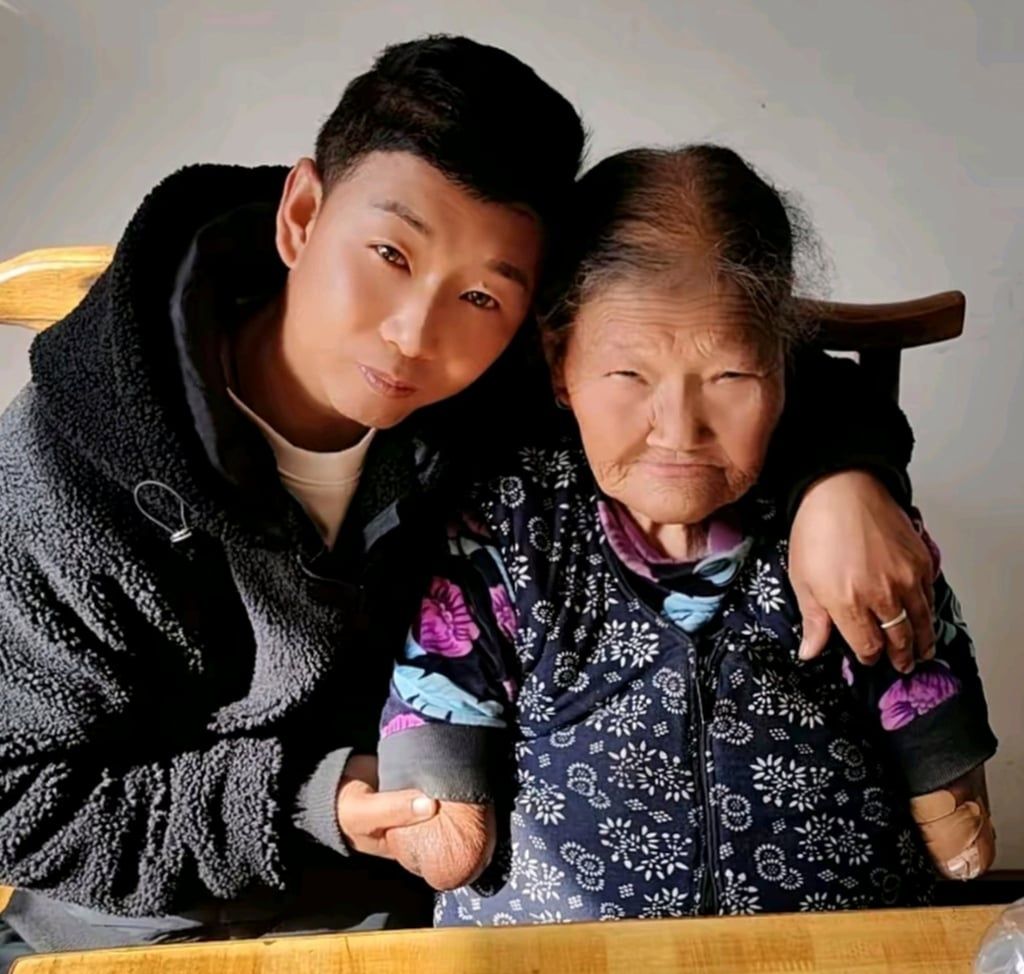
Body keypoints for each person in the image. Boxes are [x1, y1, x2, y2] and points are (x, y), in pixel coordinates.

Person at [0, 35, 936, 954]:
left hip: (411, 922)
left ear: (539, 324)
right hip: (136, 933)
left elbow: (714, 358)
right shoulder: (62, 466)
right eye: (390, 254)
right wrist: (307, 798)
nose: (414, 334)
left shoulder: (491, 389)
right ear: (300, 214)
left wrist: (842, 476)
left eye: (484, 296)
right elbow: (21, 804)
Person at [376, 145, 998, 924]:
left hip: (836, 942)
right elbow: (442, 666)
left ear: (784, 365)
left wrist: (942, 772)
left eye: (731, 379)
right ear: (559, 361)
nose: (680, 430)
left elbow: (916, 656)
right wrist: (436, 791)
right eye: (629, 378)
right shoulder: (510, 525)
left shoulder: (829, 525)